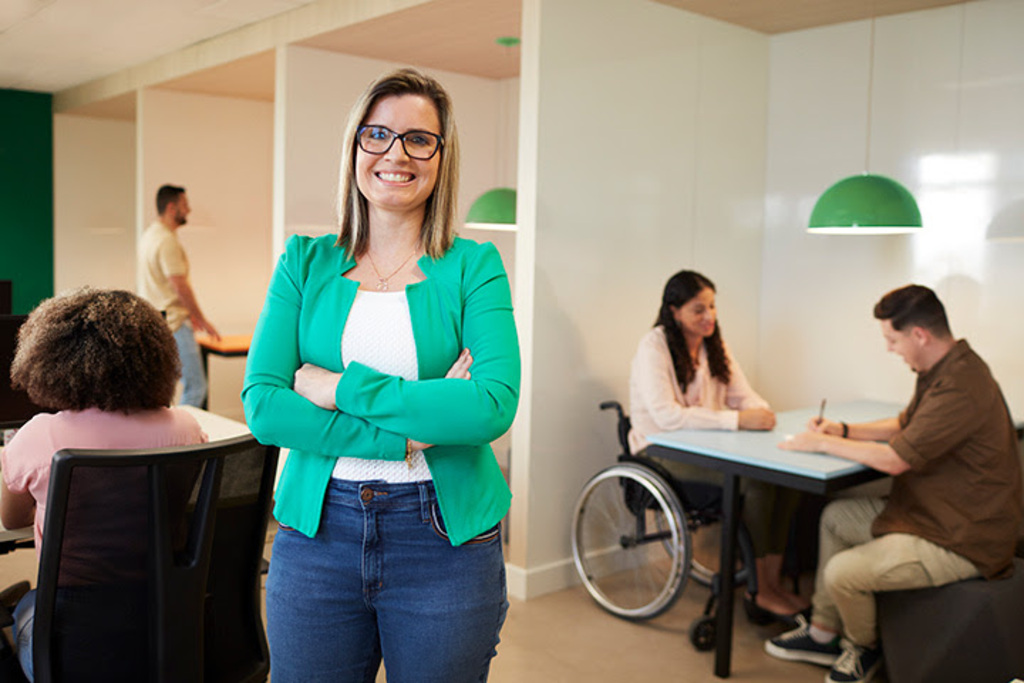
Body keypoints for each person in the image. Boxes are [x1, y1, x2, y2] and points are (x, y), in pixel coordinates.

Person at [242, 68, 520, 682]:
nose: (396, 153)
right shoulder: (303, 261)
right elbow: (264, 406)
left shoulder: (475, 266)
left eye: (419, 139)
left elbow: (492, 405)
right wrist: (405, 432)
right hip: (317, 535)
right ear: (355, 147)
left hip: (444, 540)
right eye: (378, 134)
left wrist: (337, 387)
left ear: (442, 158)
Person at [766, 284, 1023, 683]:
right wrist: (844, 428)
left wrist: (821, 441)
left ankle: (862, 649)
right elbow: (906, 424)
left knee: (842, 573)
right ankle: (822, 633)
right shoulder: (943, 367)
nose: (890, 349)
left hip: (962, 537)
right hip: (931, 514)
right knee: (836, 517)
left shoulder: (961, 385)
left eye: (892, 339)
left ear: (919, 334)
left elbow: (895, 459)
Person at [1, 288, 207, 681]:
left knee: (19, 615)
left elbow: (12, 520)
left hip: (75, 642)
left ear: (50, 359)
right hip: (165, 628)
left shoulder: (40, 434)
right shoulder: (185, 427)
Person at [629, 269, 809, 622]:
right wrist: (738, 421)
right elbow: (667, 417)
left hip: (707, 448)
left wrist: (762, 412)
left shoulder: (715, 345)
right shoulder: (654, 346)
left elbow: (744, 395)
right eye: (699, 309)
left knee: (784, 480)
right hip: (660, 451)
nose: (709, 316)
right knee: (756, 483)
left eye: (712, 307)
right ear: (674, 310)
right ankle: (759, 591)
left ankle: (771, 583)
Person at [138, 184, 220, 407]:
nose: (189, 210)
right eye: (185, 205)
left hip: (158, 321)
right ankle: (188, 441)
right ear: (172, 207)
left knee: (166, 388)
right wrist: (201, 318)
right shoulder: (167, 241)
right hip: (174, 324)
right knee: (196, 387)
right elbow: (179, 285)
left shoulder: (150, 235)